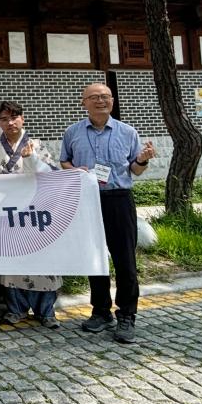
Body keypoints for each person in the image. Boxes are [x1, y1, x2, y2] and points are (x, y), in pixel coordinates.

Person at [60, 83, 156, 344]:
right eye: (94, 97)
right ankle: (100, 311)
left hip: (119, 200)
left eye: (105, 97)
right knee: (95, 257)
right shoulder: (73, 133)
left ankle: (127, 314)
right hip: (88, 201)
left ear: (112, 101)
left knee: (125, 260)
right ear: (84, 102)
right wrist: (73, 170)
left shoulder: (127, 132)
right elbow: (64, 161)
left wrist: (144, 158)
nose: (100, 101)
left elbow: (135, 170)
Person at [0, 100, 61, 328]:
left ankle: (46, 311)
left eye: (14, 117)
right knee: (12, 262)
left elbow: (52, 175)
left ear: (22, 118)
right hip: (7, 215)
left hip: (35, 214)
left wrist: (31, 160)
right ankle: (16, 309)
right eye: (4, 119)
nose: (10, 122)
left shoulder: (37, 145)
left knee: (43, 261)